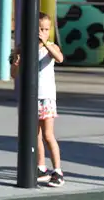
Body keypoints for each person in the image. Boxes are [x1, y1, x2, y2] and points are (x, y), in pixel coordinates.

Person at [9, 13, 65, 187]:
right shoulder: (24, 47)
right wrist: (16, 64)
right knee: (35, 135)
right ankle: (41, 167)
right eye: (40, 29)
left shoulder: (50, 47)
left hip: (46, 96)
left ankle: (58, 171)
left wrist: (46, 43)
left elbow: (60, 58)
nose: (43, 32)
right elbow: (13, 74)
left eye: (46, 29)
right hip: (30, 97)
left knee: (48, 134)